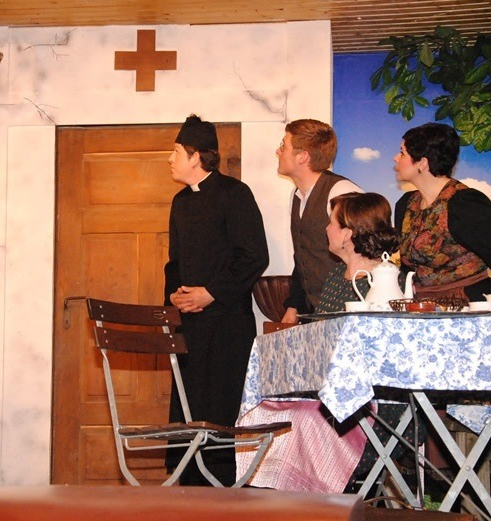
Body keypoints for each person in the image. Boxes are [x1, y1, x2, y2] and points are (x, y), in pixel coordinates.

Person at [239, 192, 405, 493]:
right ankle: (280, 502)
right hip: (324, 396)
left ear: (347, 235)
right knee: (262, 412)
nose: (326, 229)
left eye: (331, 223)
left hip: (368, 405)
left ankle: (310, 503)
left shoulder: (386, 283)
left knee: (298, 423)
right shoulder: (335, 277)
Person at [164, 114, 269, 486]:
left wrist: (210, 293)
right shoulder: (179, 201)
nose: (170, 159)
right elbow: (174, 261)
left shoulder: (235, 194)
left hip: (227, 326)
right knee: (188, 405)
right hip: (190, 325)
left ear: (195, 156)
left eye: (176, 152)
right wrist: (175, 294)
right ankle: (187, 485)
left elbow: (254, 256)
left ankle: (224, 488)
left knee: (222, 407)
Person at [393, 122, 491, 301]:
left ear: (422, 163)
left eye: (402, 153)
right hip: (421, 306)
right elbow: (407, 268)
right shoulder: (405, 204)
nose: (396, 158)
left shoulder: (464, 203)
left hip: (470, 303)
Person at [276, 119, 361, 324]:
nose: (278, 152)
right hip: (314, 311)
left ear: (302, 156)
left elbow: (365, 253)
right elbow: (302, 256)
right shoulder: (297, 195)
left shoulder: (341, 191)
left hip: (345, 311)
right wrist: (294, 305)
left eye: (283, 146)